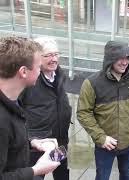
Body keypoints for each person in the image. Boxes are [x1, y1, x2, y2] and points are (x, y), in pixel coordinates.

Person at [77, 41, 129, 180]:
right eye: (120, 58)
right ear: (109, 59)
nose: (124, 62)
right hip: (105, 146)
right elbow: (83, 112)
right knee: (102, 177)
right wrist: (101, 138)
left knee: (127, 175)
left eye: (127, 58)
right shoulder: (92, 83)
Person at [0, 36, 60, 179]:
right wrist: (36, 170)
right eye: (39, 66)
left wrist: (33, 142)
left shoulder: (11, 100)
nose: (40, 71)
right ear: (24, 72)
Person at [19, 37, 71, 180]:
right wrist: (30, 139)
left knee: (61, 172)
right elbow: (14, 114)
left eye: (56, 54)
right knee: (36, 176)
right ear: (36, 58)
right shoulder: (28, 81)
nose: (54, 59)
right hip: (37, 146)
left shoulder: (59, 75)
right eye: (48, 55)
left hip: (59, 142)